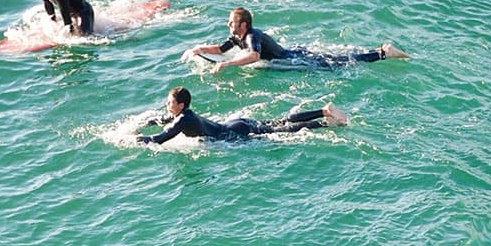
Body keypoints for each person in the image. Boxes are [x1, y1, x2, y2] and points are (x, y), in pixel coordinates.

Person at [186, 8, 407, 70]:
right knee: (337, 59)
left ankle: (383, 53)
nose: (228, 25)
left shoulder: (252, 36)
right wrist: (198, 49)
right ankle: (382, 52)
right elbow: (221, 48)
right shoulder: (237, 36)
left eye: (231, 22)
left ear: (243, 25)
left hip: (294, 58)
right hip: (292, 54)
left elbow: (254, 55)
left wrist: (227, 64)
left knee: (339, 63)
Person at [134, 86, 348, 144]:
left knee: (285, 131)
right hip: (235, 124)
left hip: (235, 133)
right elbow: (163, 121)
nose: (166, 104)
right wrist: (146, 123)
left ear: (180, 105)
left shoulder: (182, 119)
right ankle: (322, 112)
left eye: (169, 102)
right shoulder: (185, 114)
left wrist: (135, 140)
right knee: (279, 122)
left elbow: (160, 139)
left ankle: (328, 124)